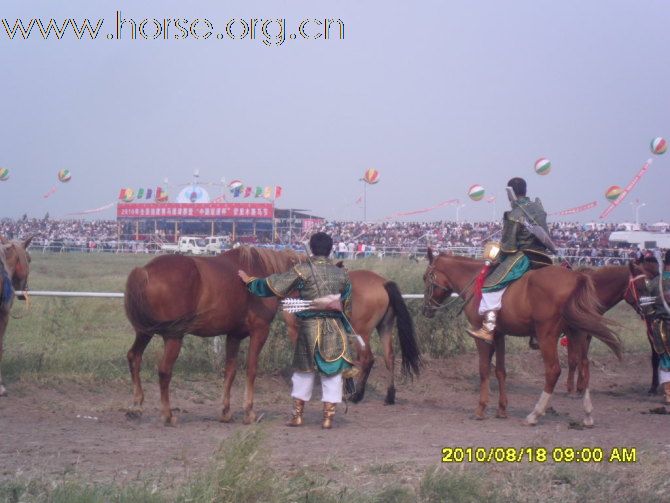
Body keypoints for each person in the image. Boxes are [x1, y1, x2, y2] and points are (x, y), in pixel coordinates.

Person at [237, 232, 355, 429]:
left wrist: (250, 281)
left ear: (311, 247)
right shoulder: (342, 274)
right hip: (334, 329)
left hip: (309, 329)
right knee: (332, 374)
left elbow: (275, 285)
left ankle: (297, 416)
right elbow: (347, 307)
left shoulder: (302, 270)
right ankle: (328, 418)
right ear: (330, 249)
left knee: (303, 372)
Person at [467, 177, 553, 344]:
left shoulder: (514, 214)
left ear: (511, 192)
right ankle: (536, 334)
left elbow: (509, 247)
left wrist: (496, 260)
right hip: (543, 258)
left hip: (523, 257)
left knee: (489, 284)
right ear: (525, 190)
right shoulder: (539, 208)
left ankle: (489, 328)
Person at [644, 249, 670, 405]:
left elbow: (646, 309)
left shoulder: (654, 283)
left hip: (660, 327)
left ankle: (668, 395)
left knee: (666, 360)